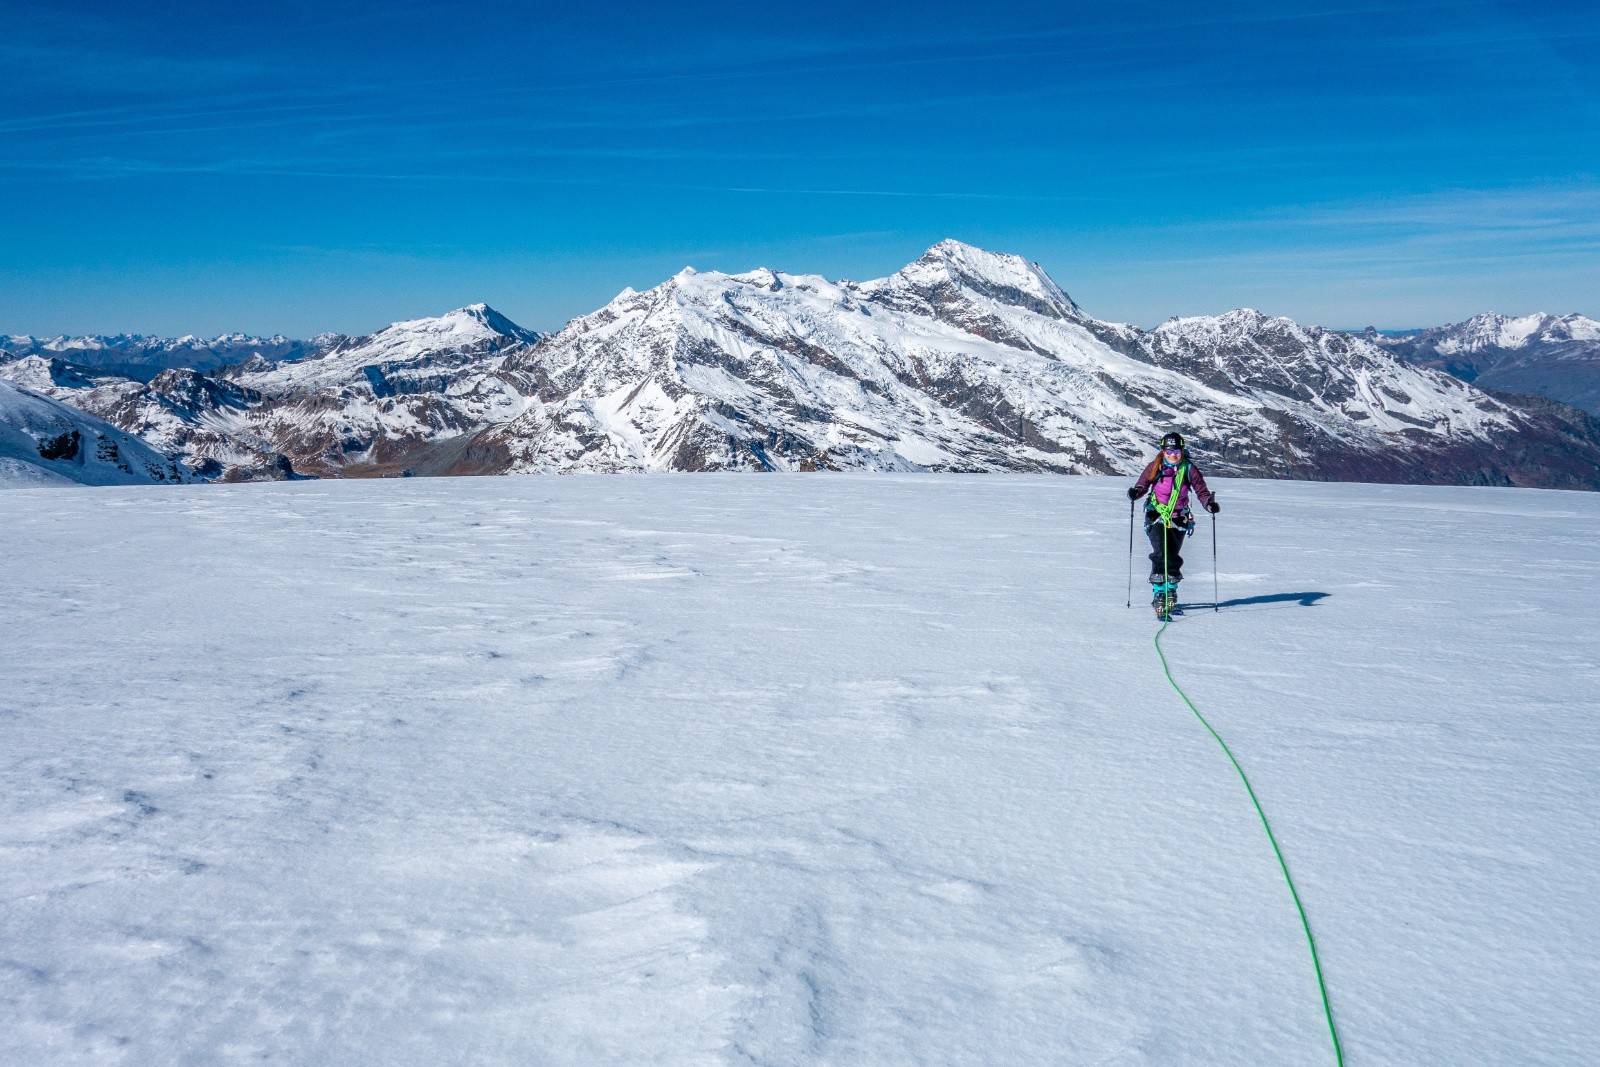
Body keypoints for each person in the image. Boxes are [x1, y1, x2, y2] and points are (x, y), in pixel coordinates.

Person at [1127, 432, 1219, 617]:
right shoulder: (1156, 466)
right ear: (1163, 450)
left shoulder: (1189, 469)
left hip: (1179, 518)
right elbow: (1143, 484)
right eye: (1169, 450)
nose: (1173, 454)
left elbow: (1201, 490)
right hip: (1156, 515)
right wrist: (1136, 493)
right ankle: (1160, 593)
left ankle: (1170, 591)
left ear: (1182, 450)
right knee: (1161, 552)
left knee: (1173, 555)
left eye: (1176, 450)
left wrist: (1209, 504)